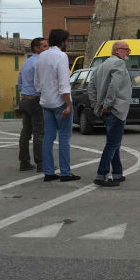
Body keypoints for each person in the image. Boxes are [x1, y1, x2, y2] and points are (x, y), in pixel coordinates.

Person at [34, 29, 80, 182]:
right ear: (62, 41)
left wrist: (43, 93)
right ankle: (65, 172)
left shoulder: (41, 56)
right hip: (60, 102)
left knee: (48, 137)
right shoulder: (61, 56)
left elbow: (37, 82)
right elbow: (64, 83)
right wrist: (68, 104)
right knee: (64, 138)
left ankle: (48, 172)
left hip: (46, 102)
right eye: (66, 40)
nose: (67, 43)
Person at [88, 41, 133, 187]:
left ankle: (118, 173)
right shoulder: (119, 64)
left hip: (106, 109)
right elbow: (114, 86)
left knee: (114, 143)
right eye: (126, 49)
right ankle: (101, 175)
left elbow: (91, 86)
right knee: (112, 144)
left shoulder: (102, 65)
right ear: (117, 51)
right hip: (115, 110)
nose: (129, 52)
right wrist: (107, 105)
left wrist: (96, 105)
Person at [17, 36, 48, 172]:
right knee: (39, 133)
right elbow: (42, 83)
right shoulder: (40, 62)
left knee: (25, 132)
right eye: (44, 46)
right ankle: (41, 163)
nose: (47, 49)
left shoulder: (26, 62)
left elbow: (20, 82)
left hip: (24, 99)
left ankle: (24, 162)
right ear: (36, 48)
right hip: (35, 100)